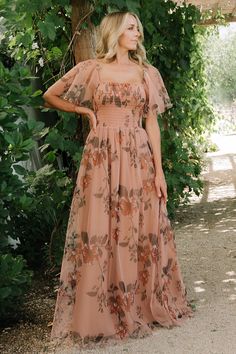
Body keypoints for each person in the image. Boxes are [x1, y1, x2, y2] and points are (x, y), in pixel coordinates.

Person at [43, 10, 194, 350]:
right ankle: (104, 311)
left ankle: (139, 304)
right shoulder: (92, 69)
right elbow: (51, 94)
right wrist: (85, 111)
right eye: (130, 27)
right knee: (102, 228)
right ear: (114, 32)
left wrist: (160, 171)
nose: (137, 32)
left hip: (138, 154)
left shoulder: (146, 73)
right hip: (101, 156)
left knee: (137, 227)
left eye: (138, 27)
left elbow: (151, 124)